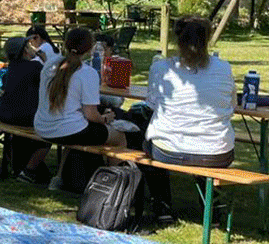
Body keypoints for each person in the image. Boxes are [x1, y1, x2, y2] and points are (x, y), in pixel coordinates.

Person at [34, 27, 126, 190]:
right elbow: (91, 114)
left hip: (43, 126)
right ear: (90, 49)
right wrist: (105, 119)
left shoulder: (50, 65)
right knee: (118, 137)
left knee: (75, 129)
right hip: (66, 130)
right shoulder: (87, 73)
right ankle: (111, 187)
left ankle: (59, 176)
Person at [145, 16, 235, 169]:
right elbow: (231, 106)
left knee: (143, 141)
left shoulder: (160, 68)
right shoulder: (224, 68)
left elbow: (152, 105)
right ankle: (207, 188)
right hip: (217, 152)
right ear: (207, 39)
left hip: (168, 149)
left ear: (178, 39)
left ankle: (160, 193)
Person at [0, 37, 50, 183]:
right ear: (25, 50)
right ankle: (28, 171)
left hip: (5, 114)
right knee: (50, 134)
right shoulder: (35, 68)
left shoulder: (11, 67)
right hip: (24, 116)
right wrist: (46, 61)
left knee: (22, 132)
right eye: (30, 45)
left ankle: (18, 164)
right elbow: (52, 81)